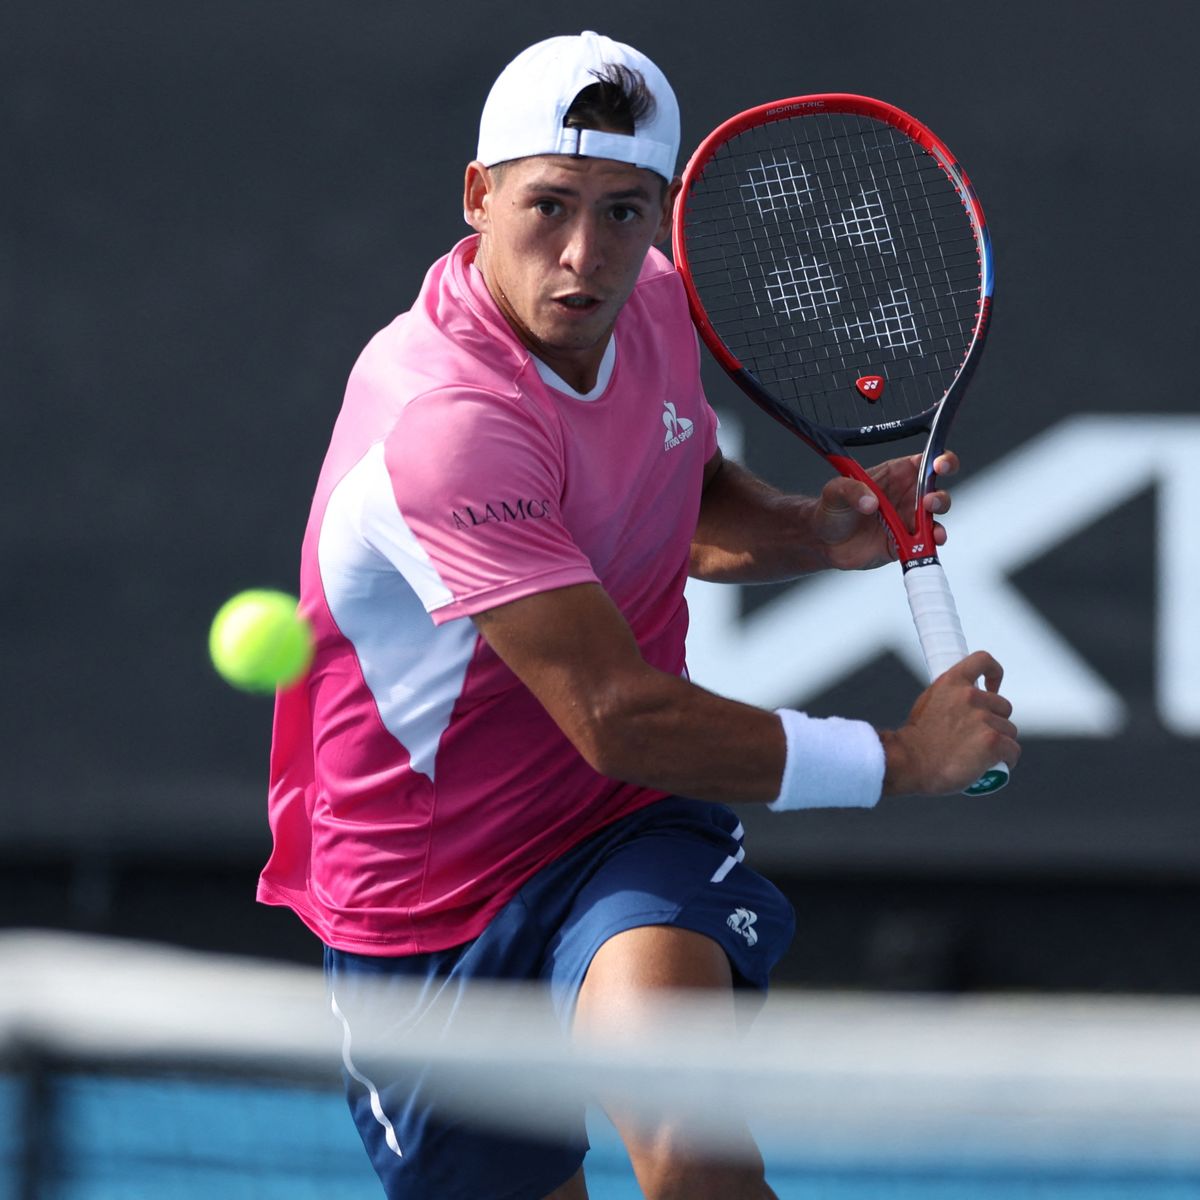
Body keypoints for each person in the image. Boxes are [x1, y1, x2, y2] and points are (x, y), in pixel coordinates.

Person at [258, 29, 1019, 1200]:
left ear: (661, 215)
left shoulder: (655, 308)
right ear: (478, 196)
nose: (583, 256)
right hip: (415, 894)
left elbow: (680, 495)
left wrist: (811, 531)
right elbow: (619, 712)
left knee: (694, 1152)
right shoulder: (445, 423)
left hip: (619, 829)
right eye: (549, 205)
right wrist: (904, 758)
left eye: (623, 212)